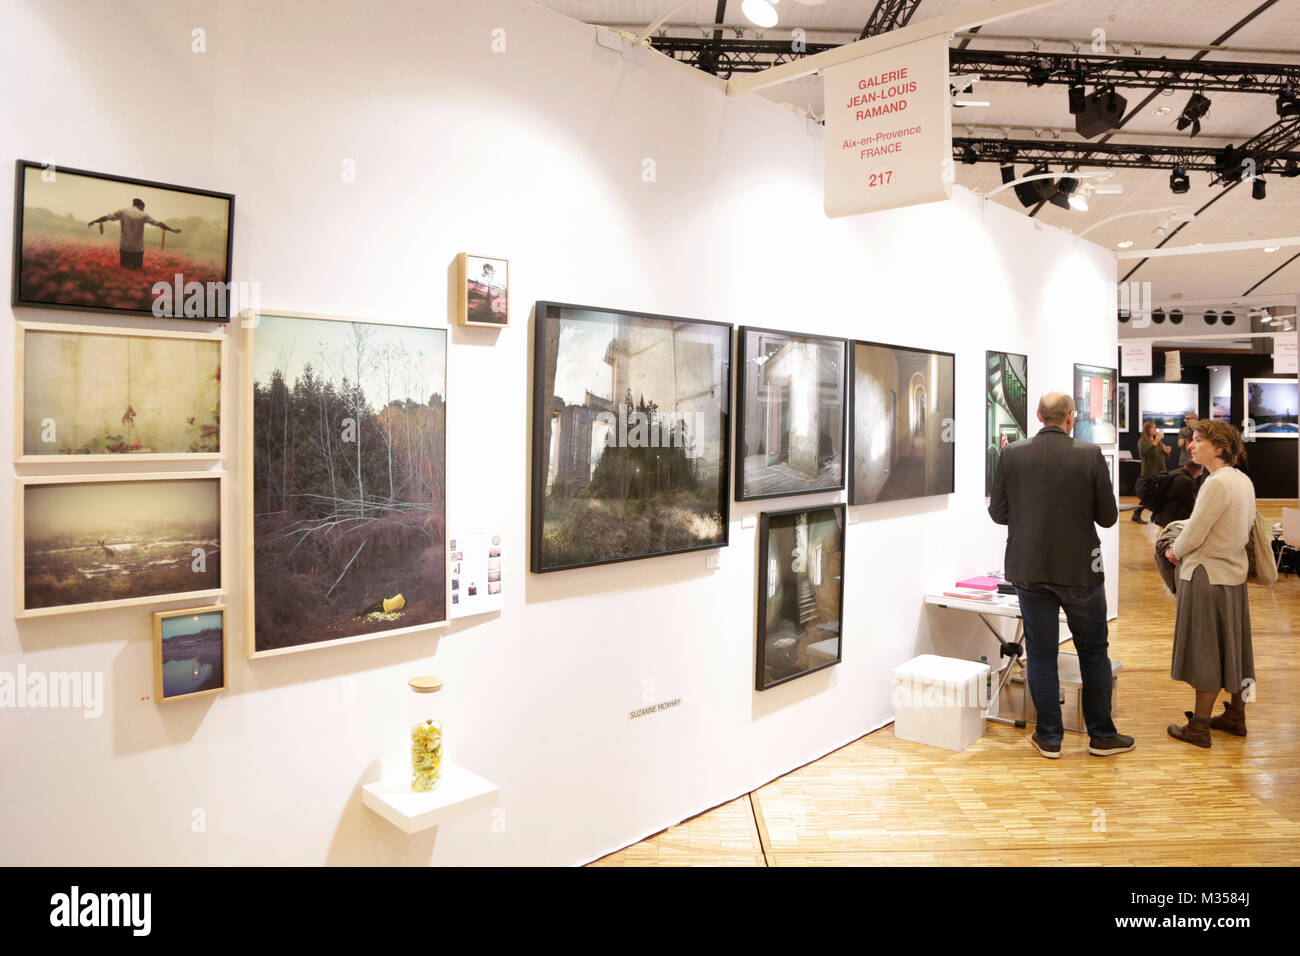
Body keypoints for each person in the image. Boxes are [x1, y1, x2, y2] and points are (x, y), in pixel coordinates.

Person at [989, 391, 1131, 759]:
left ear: (1038, 415)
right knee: (1093, 650)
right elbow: (1108, 517)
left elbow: (999, 513)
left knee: (1039, 653)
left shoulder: (1012, 453)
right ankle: (1101, 736)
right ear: (1071, 417)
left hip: (1029, 568)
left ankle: (1049, 737)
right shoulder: (1088, 454)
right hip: (1080, 570)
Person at [1163, 421, 1256, 748]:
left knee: (1207, 651)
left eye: (1198, 440)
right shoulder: (1242, 480)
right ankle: (1236, 715)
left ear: (1219, 447)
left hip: (1206, 575)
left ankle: (1199, 727)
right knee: (1238, 649)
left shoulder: (1216, 484)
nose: (1191, 445)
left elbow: (1196, 532)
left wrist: (1174, 549)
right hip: (1233, 575)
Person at [88, 198, 181, 270]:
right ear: (141, 206)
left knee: (124, 274)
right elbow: (159, 224)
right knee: (137, 274)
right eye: (143, 208)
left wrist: (94, 221)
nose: (143, 210)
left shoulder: (122, 211)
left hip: (125, 248)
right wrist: (172, 230)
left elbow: (106, 218)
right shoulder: (143, 215)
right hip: (137, 250)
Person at [1133, 420, 1170, 524]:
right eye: (1152, 427)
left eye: (1155, 427)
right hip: (1149, 472)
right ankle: (1137, 514)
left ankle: (1140, 514)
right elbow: (1147, 452)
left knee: (1158, 494)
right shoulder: (1142, 441)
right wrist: (1156, 441)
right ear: (1147, 429)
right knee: (1148, 495)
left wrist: (1166, 452)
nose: (1155, 429)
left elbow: (1162, 456)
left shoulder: (1156, 441)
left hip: (1160, 470)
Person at [1151, 459, 1203, 527]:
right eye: (1200, 472)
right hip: (1173, 518)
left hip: (1161, 513)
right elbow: (1190, 503)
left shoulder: (1173, 473)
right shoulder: (1186, 481)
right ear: (1196, 471)